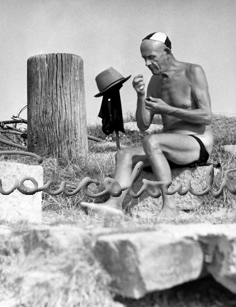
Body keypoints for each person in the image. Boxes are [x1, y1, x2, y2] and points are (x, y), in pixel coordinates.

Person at [81, 32, 213, 219]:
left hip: (197, 142)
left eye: (151, 57)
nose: (147, 63)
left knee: (152, 141)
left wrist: (168, 109)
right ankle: (115, 204)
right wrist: (141, 96)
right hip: (168, 145)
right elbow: (143, 124)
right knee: (124, 154)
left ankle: (170, 207)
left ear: (166, 52)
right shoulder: (155, 81)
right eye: (144, 59)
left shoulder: (193, 71)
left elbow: (206, 116)